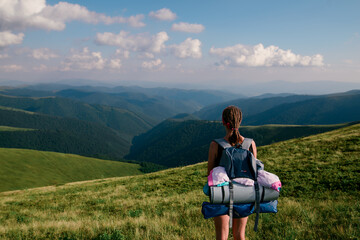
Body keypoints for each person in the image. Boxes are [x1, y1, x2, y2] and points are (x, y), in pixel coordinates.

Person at [207, 105, 257, 240]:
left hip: (222, 195)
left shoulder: (216, 145)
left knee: (222, 237)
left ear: (223, 121)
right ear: (240, 121)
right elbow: (254, 172)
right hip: (244, 195)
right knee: (240, 236)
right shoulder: (250, 144)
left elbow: (210, 174)